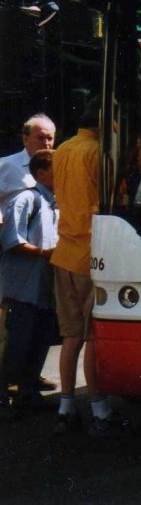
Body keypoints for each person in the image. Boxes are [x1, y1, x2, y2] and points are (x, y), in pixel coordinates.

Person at [50, 100, 125, 436]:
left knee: (70, 335)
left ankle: (66, 406)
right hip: (90, 254)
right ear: (104, 124)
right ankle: (99, 408)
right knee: (93, 335)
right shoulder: (99, 153)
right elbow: (115, 200)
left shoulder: (63, 149)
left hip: (64, 251)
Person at [0, 114, 57, 395]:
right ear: (25, 138)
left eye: (50, 137)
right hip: (19, 273)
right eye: (41, 137)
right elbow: (13, 237)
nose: (46, 142)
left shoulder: (50, 196)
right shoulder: (8, 168)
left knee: (37, 334)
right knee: (17, 336)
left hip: (41, 278)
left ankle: (27, 383)